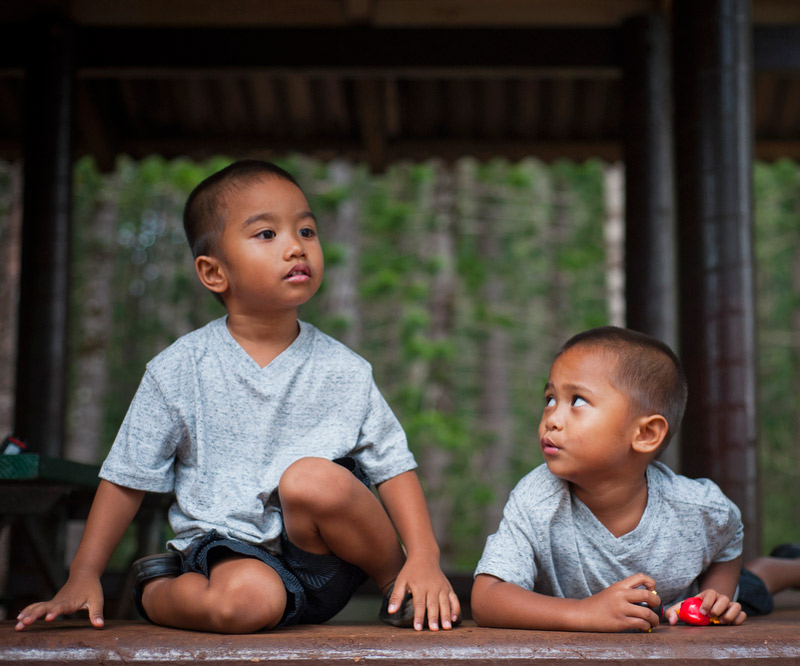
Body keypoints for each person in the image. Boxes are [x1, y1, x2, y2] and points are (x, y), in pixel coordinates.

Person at [16, 159, 461, 634]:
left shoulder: (345, 370)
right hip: (229, 557)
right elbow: (128, 475)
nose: (296, 247)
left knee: (313, 479)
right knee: (249, 600)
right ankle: (157, 587)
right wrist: (83, 573)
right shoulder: (180, 368)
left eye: (307, 231)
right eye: (267, 234)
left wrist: (426, 557)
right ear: (213, 272)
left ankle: (403, 588)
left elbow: (394, 465)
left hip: (320, 559)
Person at [471, 326, 800, 632]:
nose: (552, 418)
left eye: (578, 401)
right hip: (580, 621)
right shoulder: (535, 499)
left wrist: (712, 596)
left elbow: (728, 535)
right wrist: (583, 612)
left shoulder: (694, 507)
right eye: (550, 399)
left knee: (753, 589)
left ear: (645, 434)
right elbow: (487, 598)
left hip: (673, 606)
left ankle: (785, 567)